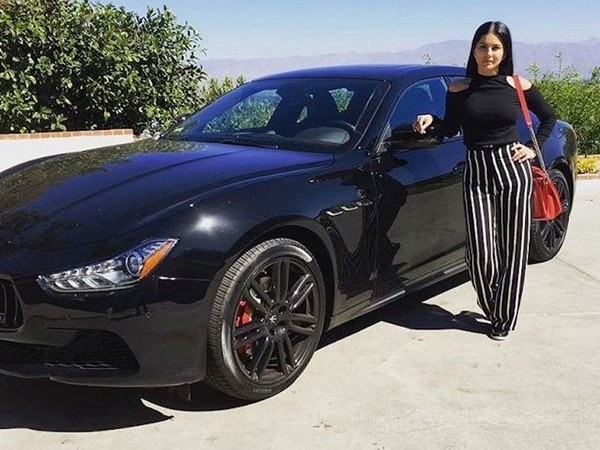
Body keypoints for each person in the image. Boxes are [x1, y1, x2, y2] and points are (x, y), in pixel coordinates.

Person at [412, 21, 557, 341]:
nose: (488, 53)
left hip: (512, 168)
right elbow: (450, 128)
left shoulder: (518, 85)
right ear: (473, 49)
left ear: (505, 51)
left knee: (513, 248)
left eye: (495, 47)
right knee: (480, 253)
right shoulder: (459, 89)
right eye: (482, 46)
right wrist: (430, 121)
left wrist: (532, 149)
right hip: (476, 169)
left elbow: (549, 117)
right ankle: (493, 305)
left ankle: (504, 319)